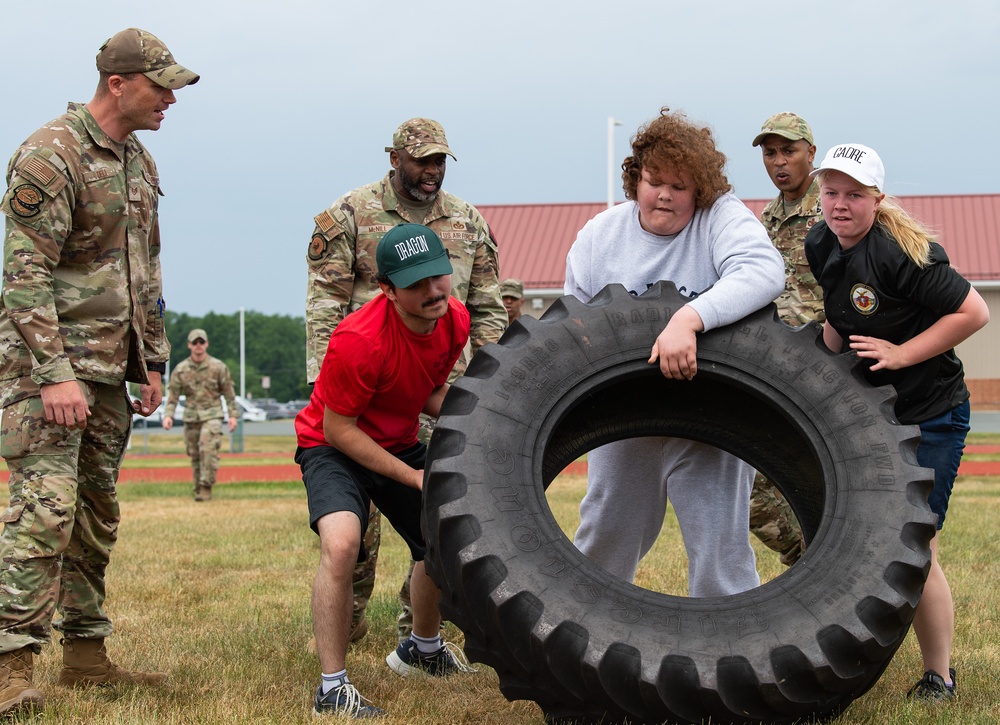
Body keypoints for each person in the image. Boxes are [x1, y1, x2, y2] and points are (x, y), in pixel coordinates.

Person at [0, 28, 198, 716]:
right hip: (45, 369)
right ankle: (10, 661)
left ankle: (85, 654)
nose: (170, 97)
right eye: (160, 84)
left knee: (95, 514)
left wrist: (154, 361)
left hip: (114, 370)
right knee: (44, 509)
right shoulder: (50, 154)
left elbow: (146, 271)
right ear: (118, 83)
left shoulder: (138, 163)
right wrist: (53, 373)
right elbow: (23, 276)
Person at [564, 107, 785, 596]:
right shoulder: (600, 236)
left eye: (680, 186)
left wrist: (687, 319)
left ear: (700, 191)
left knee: (719, 551)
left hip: (710, 411)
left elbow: (765, 272)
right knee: (605, 535)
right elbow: (572, 326)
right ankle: (583, 644)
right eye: (653, 180)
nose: (663, 194)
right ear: (635, 179)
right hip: (624, 413)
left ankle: (729, 653)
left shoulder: (720, 218)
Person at [305, 117, 505, 644]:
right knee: (355, 529)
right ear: (395, 158)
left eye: (440, 161)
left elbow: (487, 305)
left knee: (435, 524)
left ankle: (416, 634)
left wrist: (487, 392)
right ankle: (344, 628)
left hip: (441, 387)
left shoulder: (467, 220)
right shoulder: (349, 214)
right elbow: (324, 303)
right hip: (362, 382)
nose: (432, 171)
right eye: (422, 161)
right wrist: (326, 389)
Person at [804, 143, 989, 701]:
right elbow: (839, 316)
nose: (840, 204)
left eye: (854, 195)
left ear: (877, 199)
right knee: (865, 540)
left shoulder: (904, 253)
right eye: (831, 192)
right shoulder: (820, 242)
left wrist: (904, 353)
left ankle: (940, 677)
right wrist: (822, 368)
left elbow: (974, 312)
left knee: (915, 544)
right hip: (872, 418)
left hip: (930, 414)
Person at [296, 223, 476, 718]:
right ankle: (332, 689)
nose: (433, 291)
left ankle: (422, 649)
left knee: (443, 533)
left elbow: (428, 393)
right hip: (333, 445)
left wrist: (484, 417)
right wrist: (414, 477)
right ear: (387, 290)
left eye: (438, 275)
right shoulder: (358, 339)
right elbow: (339, 429)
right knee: (341, 544)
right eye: (416, 284)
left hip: (394, 438)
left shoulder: (455, 319)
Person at [747, 111, 826, 566]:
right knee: (753, 482)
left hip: (832, 362)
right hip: (780, 363)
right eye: (770, 153)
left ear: (810, 154)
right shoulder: (767, 218)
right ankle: (809, 562)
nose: (779, 161)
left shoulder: (834, 205)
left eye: (789, 151)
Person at [162, 328, 239, 501]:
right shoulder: (180, 370)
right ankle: (198, 488)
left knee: (207, 449)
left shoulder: (218, 367)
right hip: (191, 417)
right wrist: (168, 415)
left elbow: (229, 393)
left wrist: (233, 416)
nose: (198, 346)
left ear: (206, 344)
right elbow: (172, 396)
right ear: (189, 345)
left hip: (212, 416)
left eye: (201, 342)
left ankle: (205, 488)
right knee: (195, 454)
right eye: (195, 342)